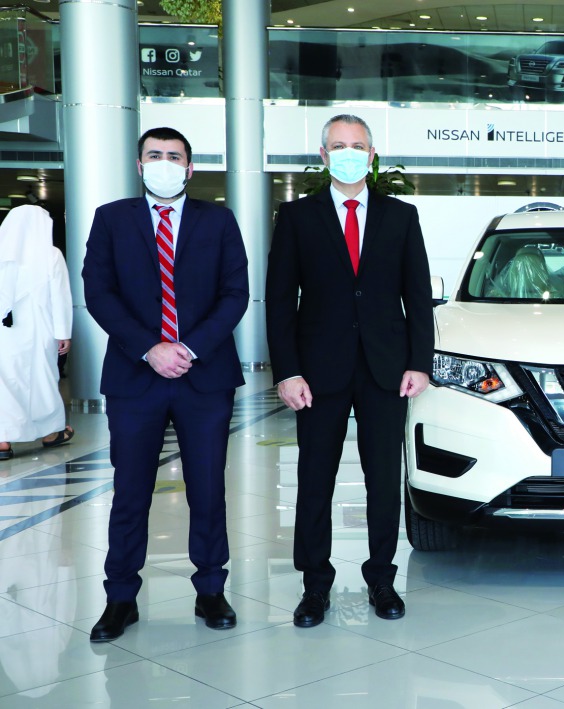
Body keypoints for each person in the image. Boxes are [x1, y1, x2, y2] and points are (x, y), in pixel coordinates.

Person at [266, 114, 434, 628]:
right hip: (318, 372)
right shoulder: (297, 218)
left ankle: (382, 578)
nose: (348, 152)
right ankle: (315, 585)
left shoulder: (400, 216)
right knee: (314, 480)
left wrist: (419, 363)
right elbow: (278, 301)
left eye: (357, 145)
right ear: (323, 156)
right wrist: (287, 371)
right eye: (338, 145)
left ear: (372, 153)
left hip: (387, 369)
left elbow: (418, 296)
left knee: (383, 480)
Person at [82, 127, 249, 642]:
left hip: (205, 377)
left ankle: (211, 588)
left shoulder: (218, 220)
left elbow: (235, 293)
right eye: (154, 155)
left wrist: (189, 348)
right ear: (139, 165)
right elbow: (98, 291)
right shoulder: (112, 219)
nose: (164, 162)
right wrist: (150, 348)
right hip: (136, 378)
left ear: (190, 168)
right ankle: (120, 598)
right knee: (130, 492)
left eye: (174, 156)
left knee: (208, 489)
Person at [0, 205, 73, 461]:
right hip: (41, 329)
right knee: (43, 379)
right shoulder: (50, 255)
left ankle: (3, 440)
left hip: (4, 332)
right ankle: (50, 433)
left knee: (5, 382)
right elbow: (60, 297)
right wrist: (64, 332)